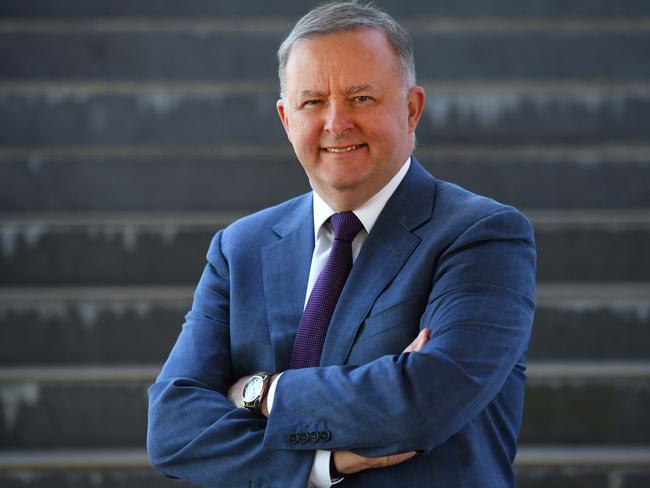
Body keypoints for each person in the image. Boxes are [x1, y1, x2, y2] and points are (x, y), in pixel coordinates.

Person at [147, 2, 536, 487]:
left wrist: (261, 392)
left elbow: (421, 403)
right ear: (286, 119)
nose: (336, 122)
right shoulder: (239, 248)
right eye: (312, 102)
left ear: (411, 108)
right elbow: (172, 427)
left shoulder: (482, 235)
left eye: (361, 98)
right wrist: (319, 465)